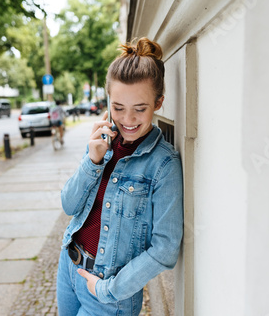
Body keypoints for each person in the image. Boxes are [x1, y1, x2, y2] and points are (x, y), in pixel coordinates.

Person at [56, 37, 184, 315]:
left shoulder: (164, 164)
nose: (127, 120)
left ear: (158, 102)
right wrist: (92, 160)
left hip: (108, 293)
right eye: (117, 107)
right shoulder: (100, 143)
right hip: (68, 268)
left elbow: (165, 248)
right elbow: (69, 205)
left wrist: (108, 289)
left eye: (140, 108)